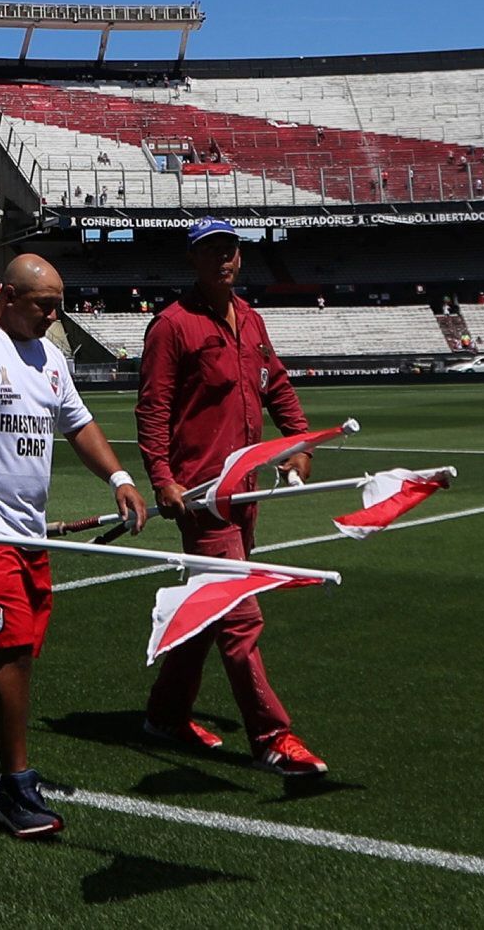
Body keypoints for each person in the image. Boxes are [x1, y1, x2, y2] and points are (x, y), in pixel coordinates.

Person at [0, 253, 145, 840]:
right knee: (10, 646)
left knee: (11, 651)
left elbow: (78, 424)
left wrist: (118, 477)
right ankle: (17, 785)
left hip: (28, 529)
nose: (53, 317)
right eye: (45, 306)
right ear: (8, 296)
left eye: (58, 307)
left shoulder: (50, 357)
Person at [137, 216, 328, 775]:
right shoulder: (172, 326)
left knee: (209, 609)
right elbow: (153, 409)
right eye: (210, 251)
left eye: (230, 250)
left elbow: (277, 384)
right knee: (241, 614)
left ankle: (165, 714)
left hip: (245, 491)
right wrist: (161, 477)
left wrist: (300, 443)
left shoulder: (250, 318)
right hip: (202, 497)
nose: (223, 259)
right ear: (192, 260)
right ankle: (272, 736)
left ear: (240, 257)